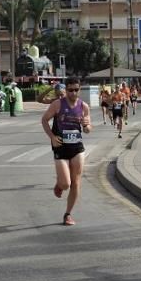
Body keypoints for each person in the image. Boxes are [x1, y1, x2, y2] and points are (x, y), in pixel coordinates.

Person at [41, 76, 93, 226]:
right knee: (66, 184)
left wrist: (87, 126)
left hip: (77, 148)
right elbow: (44, 120)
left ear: (79, 90)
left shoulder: (84, 106)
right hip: (61, 147)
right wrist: (51, 136)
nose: (73, 93)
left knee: (76, 182)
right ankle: (59, 184)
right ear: (66, 90)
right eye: (70, 90)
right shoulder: (57, 104)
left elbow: (88, 129)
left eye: (76, 90)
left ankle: (68, 214)